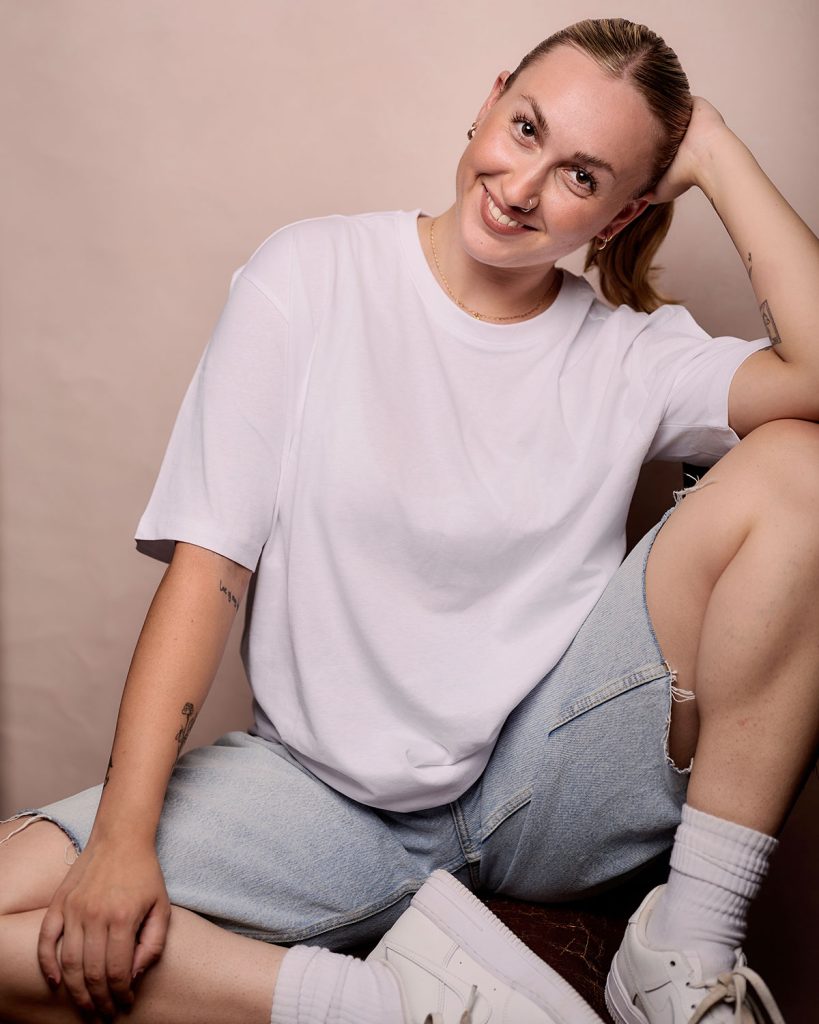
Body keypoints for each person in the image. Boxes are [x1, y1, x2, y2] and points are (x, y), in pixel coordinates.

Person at [0, 16, 814, 1024]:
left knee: (804, 467)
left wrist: (722, 154)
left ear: (620, 214)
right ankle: (370, 1005)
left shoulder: (629, 355)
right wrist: (122, 841)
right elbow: (207, 572)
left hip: (542, 788)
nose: (521, 187)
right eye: (524, 129)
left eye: (582, 176)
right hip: (319, 799)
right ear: (489, 98)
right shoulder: (309, 278)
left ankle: (684, 950)